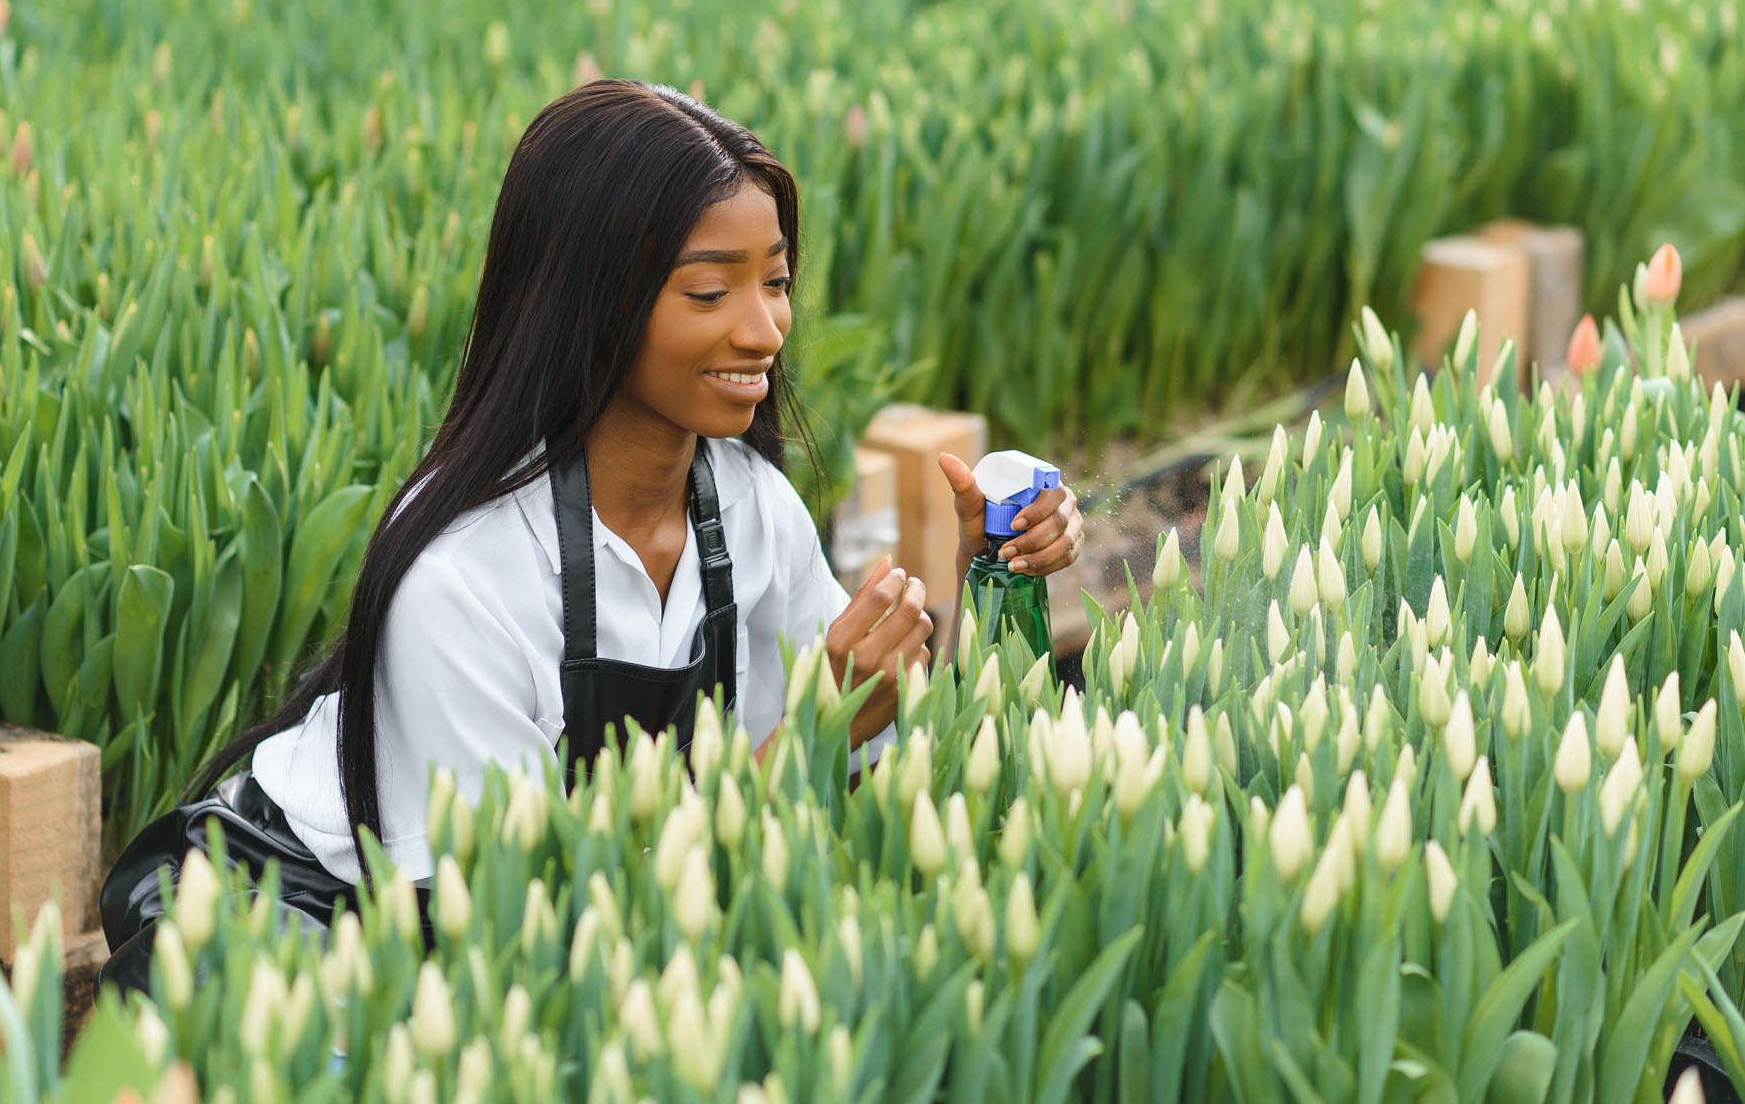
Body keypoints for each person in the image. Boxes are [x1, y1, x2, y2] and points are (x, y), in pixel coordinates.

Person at [95, 80, 1082, 993]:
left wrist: (991, 568)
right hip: (324, 909)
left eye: (775, 282)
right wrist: (821, 731)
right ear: (591, 300)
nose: (764, 331)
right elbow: (523, 923)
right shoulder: (463, 570)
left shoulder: (749, 506)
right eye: (710, 292)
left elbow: (863, 771)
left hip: (594, 906)